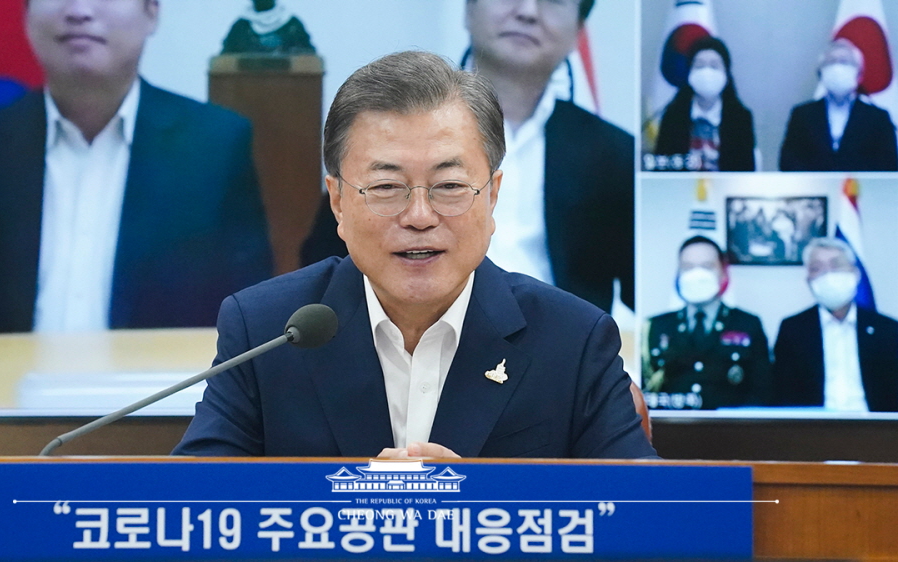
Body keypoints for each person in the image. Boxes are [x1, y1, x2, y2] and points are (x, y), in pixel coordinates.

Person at [173, 51, 655, 459]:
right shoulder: (266, 331)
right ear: (338, 202)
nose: (420, 215)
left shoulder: (573, 342)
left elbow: (647, 518)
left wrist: (476, 508)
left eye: (448, 186)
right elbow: (196, 511)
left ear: (491, 197)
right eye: (386, 187)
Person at [0, 0, 273, 336]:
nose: (79, 10)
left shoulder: (214, 146)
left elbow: (244, 320)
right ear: (26, 15)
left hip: (153, 406)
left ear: (152, 11)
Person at [301, 0, 633, 314]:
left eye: (554, 0)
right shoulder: (386, 129)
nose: (529, 11)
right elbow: (323, 269)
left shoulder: (613, 155)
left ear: (578, 31)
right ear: (468, 10)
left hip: (557, 356)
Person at [643, 236, 771, 410]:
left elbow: (762, 393)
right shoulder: (656, 326)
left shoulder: (747, 324)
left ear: (723, 272)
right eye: (687, 267)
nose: (697, 275)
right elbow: (645, 392)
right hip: (671, 431)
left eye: (707, 266)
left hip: (731, 432)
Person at [772, 238, 898, 412]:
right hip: (815, 430)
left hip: (874, 429)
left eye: (836, 265)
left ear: (855, 274)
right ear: (808, 280)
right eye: (817, 268)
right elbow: (783, 395)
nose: (828, 275)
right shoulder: (793, 330)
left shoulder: (887, 330)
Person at [779, 39, 898, 172]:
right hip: (814, 190)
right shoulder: (802, 115)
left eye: (844, 62)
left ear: (859, 74)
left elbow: (888, 163)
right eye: (831, 62)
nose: (837, 68)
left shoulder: (878, 118)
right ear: (821, 73)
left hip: (864, 190)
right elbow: (788, 161)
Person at [654, 36, 756, 172]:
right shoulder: (673, 116)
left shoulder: (740, 118)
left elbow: (745, 171)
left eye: (714, 66)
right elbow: (662, 167)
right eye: (699, 66)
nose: (706, 72)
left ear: (726, 74)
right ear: (689, 73)